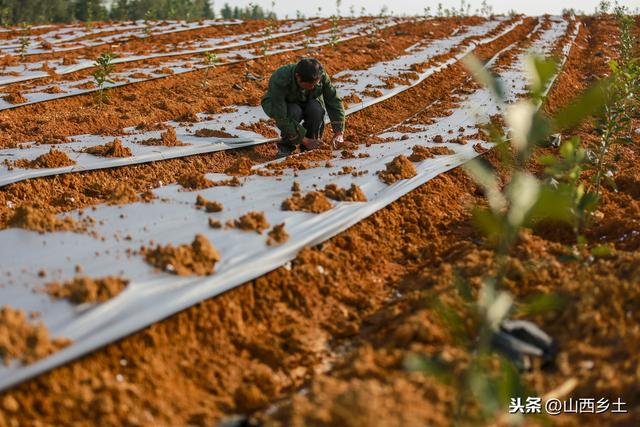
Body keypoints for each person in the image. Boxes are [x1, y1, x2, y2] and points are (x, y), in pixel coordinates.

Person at [261, 58, 345, 158]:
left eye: (316, 84)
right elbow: (281, 116)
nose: (314, 87)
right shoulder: (280, 79)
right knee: (294, 112)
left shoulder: (320, 75)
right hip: (286, 104)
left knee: (316, 111)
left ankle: (311, 146)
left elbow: (333, 100)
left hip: (309, 99)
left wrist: (339, 132)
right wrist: (304, 140)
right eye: (311, 85)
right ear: (298, 77)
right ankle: (286, 147)